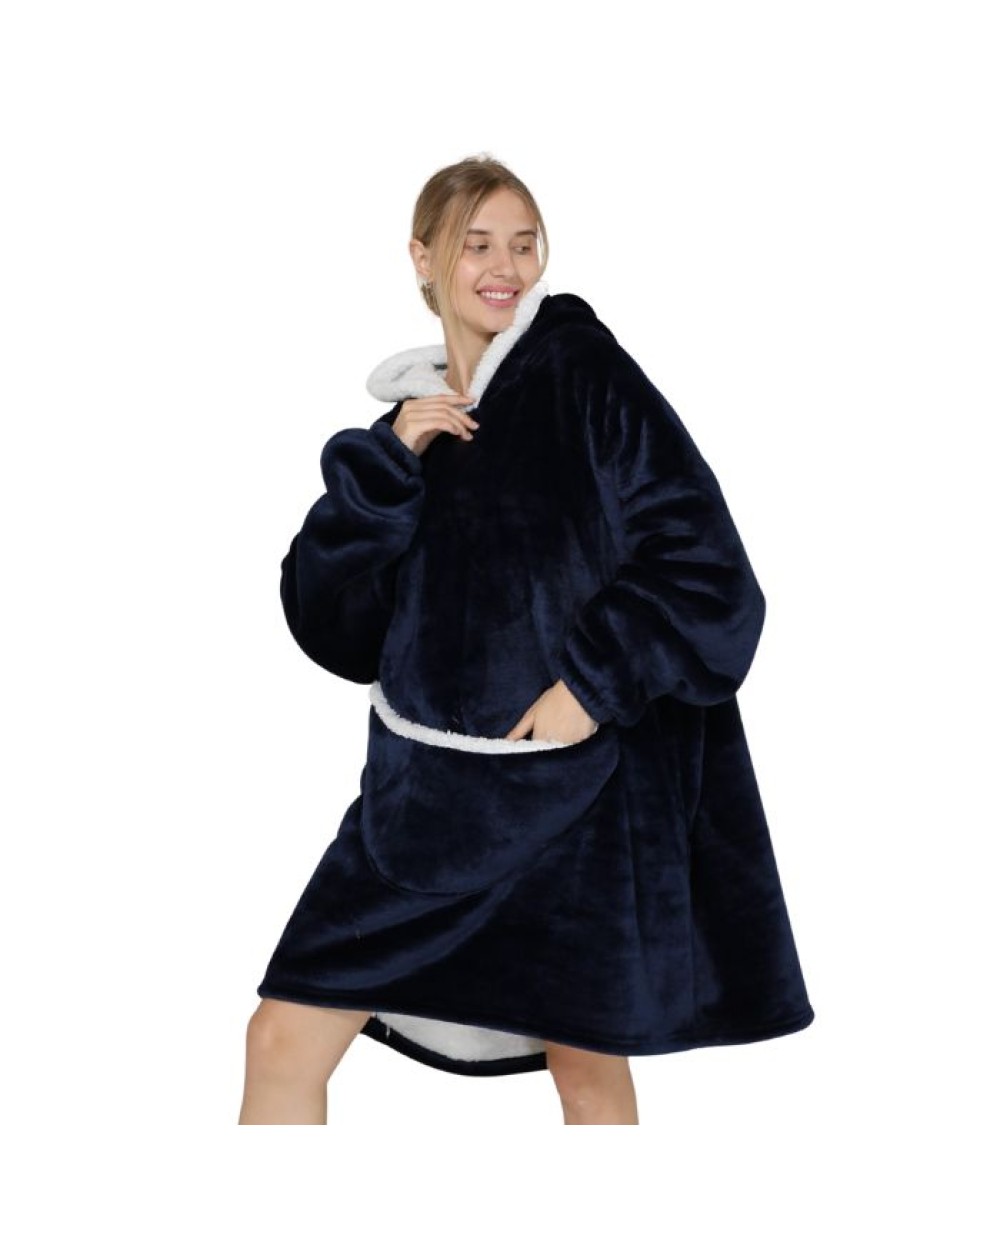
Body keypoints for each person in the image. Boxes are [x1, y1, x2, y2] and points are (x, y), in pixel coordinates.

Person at [239, 154, 815, 1126]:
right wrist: (388, 467)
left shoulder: (583, 375)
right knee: (281, 1039)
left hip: (573, 802)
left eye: (522, 243)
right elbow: (335, 627)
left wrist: (586, 689)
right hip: (422, 812)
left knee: (585, 1069)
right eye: (476, 244)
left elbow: (710, 569)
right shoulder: (407, 429)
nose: (502, 266)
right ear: (423, 257)